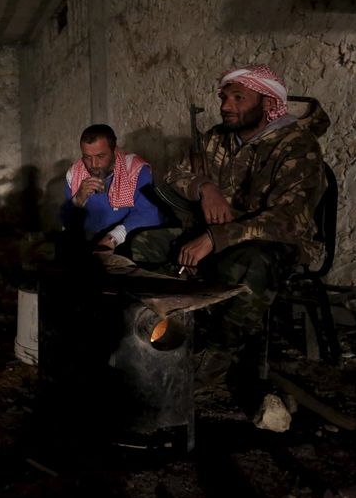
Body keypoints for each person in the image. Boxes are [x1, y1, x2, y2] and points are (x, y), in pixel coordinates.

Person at [132, 64, 328, 392]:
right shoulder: (216, 139)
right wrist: (206, 188)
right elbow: (176, 173)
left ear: (267, 104)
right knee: (142, 245)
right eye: (225, 97)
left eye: (239, 98)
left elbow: (287, 219)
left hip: (274, 242)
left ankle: (217, 355)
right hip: (218, 236)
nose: (226, 105)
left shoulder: (297, 145)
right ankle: (162, 331)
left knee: (252, 262)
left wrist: (214, 237)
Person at [60, 124, 161, 254]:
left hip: (122, 241)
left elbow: (149, 214)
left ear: (114, 151)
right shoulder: (75, 173)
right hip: (87, 243)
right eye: (87, 157)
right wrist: (78, 199)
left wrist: (114, 238)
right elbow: (66, 222)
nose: (93, 165)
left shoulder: (135, 169)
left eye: (100, 156)